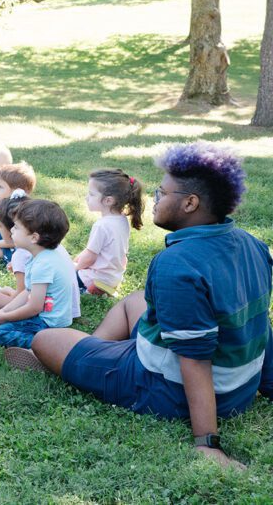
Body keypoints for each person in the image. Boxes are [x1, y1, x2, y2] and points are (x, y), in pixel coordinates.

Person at [29, 142, 273, 470]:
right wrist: (266, 385)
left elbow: (195, 359)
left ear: (190, 203)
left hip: (167, 388)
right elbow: (259, 324)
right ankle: (93, 354)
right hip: (239, 387)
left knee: (44, 340)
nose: (154, 200)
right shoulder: (253, 245)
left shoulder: (177, 264)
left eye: (162, 192)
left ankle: (89, 360)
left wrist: (208, 443)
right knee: (135, 300)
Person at [0, 200, 75, 355]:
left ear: (34, 238)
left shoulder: (43, 264)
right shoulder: (43, 255)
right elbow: (27, 292)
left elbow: (34, 307)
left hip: (49, 324)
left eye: (16, 227)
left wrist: (5, 317)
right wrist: (3, 312)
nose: (12, 230)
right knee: (1, 322)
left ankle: (43, 345)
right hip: (49, 318)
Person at [74, 168, 144, 296]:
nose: (86, 197)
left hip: (96, 278)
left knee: (61, 277)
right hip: (112, 277)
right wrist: (78, 258)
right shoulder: (122, 219)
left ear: (108, 200)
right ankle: (104, 289)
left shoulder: (101, 225)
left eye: (91, 194)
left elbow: (90, 257)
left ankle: (90, 290)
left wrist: (75, 268)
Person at [0, 162, 37, 262]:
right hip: (7, 238)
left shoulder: (18, 212)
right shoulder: (5, 204)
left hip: (22, 248)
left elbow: (13, 242)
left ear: (15, 191)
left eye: (1, 187)